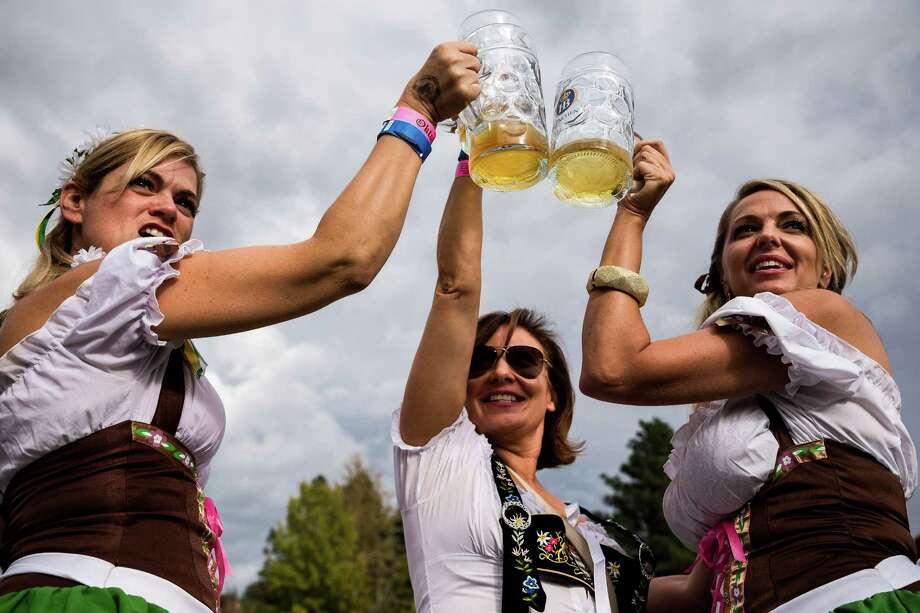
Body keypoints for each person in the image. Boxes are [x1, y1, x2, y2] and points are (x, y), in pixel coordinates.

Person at [0, 42, 480, 613]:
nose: (169, 209)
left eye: (186, 200)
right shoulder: (109, 288)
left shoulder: (128, 327)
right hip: (89, 598)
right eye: (144, 185)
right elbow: (344, 259)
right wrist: (418, 105)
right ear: (76, 200)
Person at [580, 165, 920, 611]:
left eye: (793, 225)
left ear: (828, 266)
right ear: (722, 273)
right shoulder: (734, 406)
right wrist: (571, 577)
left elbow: (612, 368)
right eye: (746, 229)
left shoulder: (822, 314)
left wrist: (632, 212)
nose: (767, 236)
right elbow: (693, 594)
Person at [393, 142, 705, 613]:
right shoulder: (443, 461)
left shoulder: (594, 538)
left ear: (554, 394)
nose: (500, 371)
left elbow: (690, 595)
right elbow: (455, 289)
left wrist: (633, 213)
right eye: (479, 361)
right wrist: (474, 156)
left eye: (524, 360)